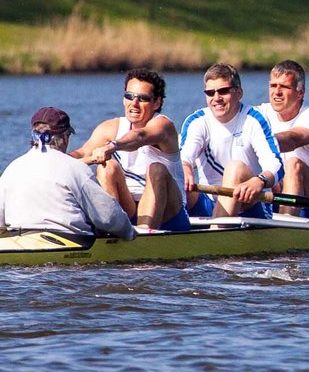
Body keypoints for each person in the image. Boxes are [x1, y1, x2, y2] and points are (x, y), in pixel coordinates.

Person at [72, 68, 187, 230]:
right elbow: (81, 154)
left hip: (170, 213)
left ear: (157, 103)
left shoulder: (163, 126)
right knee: (107, 167)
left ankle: (144, 237)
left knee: (157, 169)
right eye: (129, 96)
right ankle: (112, 229)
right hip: (129, 208)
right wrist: (50, 158)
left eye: (143, 98)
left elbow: (140, 136)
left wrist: (114, 145)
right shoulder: (110, 127)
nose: (134, 103)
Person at [0, 108, 135, 242]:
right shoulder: (76, 168)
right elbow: (109, 217)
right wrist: (129, 233)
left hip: (18, 240)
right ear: (64, 138)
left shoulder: (12, 169)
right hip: (69, 241)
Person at [178, 63, 285, 218]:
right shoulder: (196, 121)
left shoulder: (254, 119)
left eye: (223, 91)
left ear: (239, 93)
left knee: (235, 169)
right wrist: (186, 168)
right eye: (210, 93)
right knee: (168, 173)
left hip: (250, 204)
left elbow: (276, 165)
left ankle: (215, 235)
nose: (216, 98)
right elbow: (184, 158)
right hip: (208, 201)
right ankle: (148, 230)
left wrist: (259, 181)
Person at [255, 60, 309, 213]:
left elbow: (292, 139)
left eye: (284, 87)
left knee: (293, 165)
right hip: (280, 189)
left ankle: (285, 229)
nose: (277, 92)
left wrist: (255, 140)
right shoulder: (261, 113)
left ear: (300, 93)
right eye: (273, 86)